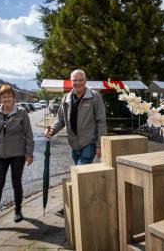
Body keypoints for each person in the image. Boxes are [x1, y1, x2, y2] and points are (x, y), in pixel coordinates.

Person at [44, 69, 107, 217]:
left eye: (80, 80)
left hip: (89, 144)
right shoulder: (66, 98)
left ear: (85, 81)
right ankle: (87, 204)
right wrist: (52, 130)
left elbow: (101, 122)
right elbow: (60, 119)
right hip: (74, 145)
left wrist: (99, 145)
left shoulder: (95, 97)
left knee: (77, 175)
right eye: (75, 80)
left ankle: (68, 208)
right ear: (71, 82)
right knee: (81, 177)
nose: (77, 83)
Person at [0, 85, 35, 227]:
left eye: (9, 96)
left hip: (17, 154)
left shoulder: (21, 112)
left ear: (13, 97)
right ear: (0, 98)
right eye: (4, 96)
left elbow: (28, 134)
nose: (7, 98)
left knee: (16, 182)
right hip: (0, 155)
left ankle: (18, 211)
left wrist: (29, 153)